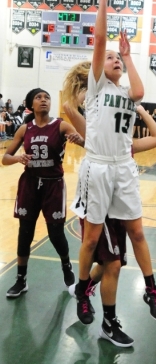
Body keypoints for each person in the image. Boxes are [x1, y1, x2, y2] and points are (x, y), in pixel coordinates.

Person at [69, 0, 156, 335]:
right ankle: (82, 290)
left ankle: (152, 289)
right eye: (111, 58)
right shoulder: (93, 89)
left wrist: (129, 55)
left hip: (124, 167)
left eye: (118, 60)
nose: (114, 60)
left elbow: (139, 93)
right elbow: (98, 40)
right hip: (98, 167)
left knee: (138, 233)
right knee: (92, 239)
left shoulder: (126, 92)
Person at [63, 85, 156, 347]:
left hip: (121, 204)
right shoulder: (100, 137)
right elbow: (76, 113)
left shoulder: (129, 147)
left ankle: (82, 289)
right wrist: (79, 123)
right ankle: (106, 318)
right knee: (114, 264)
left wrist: (140, 109)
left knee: (113, 262)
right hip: (101, 202)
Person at [2, 87, 85, 298]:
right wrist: (17, 159)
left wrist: (80, 140)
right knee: (25, 233)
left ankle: (66, 265)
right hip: (30, 184)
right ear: (32, 104)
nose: (44, 100)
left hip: (53, 185)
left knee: (56, 233)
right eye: (39, 97)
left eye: (47, 97)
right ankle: (21, 280)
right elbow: (5, 158)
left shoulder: (60, 125)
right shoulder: (24, 129)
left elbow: (87, 144)